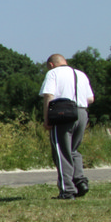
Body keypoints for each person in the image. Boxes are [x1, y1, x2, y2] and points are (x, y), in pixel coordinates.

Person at [40, 53, 95, 200]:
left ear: (51, 65)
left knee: (61, 151)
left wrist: (47, 119)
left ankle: (67, 190)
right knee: (73, 150)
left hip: (63, 113)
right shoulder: (80, 74)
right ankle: (80, 181)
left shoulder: (53, 73)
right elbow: (90, 98)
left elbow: (48, 95)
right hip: (82, 112)